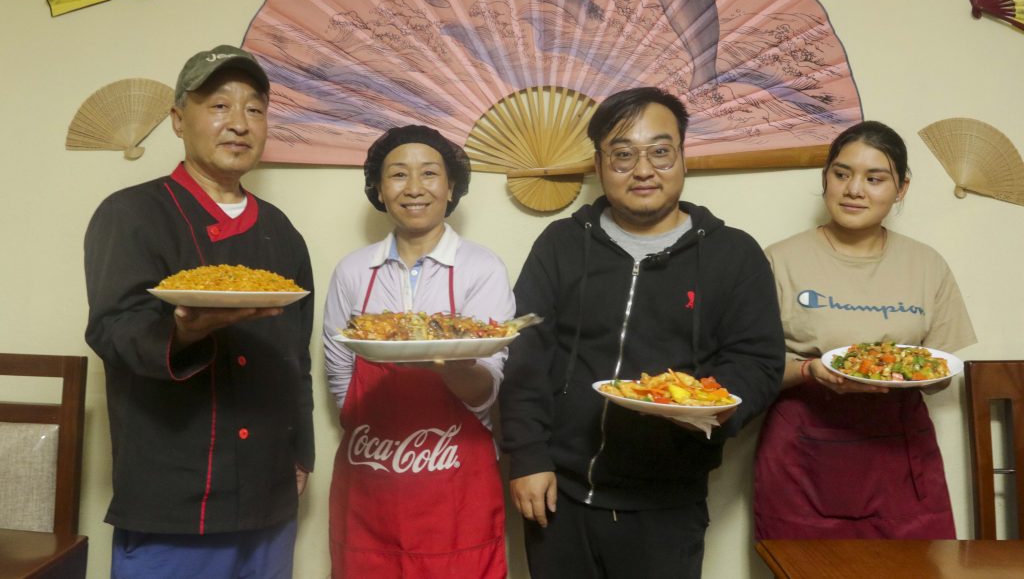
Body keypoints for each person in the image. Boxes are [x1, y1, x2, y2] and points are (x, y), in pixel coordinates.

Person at [499, 86, 785, 579]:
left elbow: (758, 362)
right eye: (623, 154)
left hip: (667, 503)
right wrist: (526, 457)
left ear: (682, 156)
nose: (644, 169)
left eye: (659, 151)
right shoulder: (562, 244)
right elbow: (526, 354)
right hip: (558, 494)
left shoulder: (733, 255)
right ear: (599, 164)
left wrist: (705, 410)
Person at [84, 45, 314, 579]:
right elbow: (114, 331)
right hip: (173, 499)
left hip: (268, 496)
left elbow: (294, 356)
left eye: (254, 109)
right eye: (218, 106)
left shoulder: (283, 233)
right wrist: (183, 332)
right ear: (177, 120)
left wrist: (301, 453)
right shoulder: (131, 214)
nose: (239, 123)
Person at [753, 121, 976, 539]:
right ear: (826, 179)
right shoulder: (778, 260)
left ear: (901, 189)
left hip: (900, 455)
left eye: (875, 179)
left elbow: (940, 374)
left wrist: (918, 374)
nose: (854, 190)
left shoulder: (927, 265)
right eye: (841, 174)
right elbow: (753, 369)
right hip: (804, 452)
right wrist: (808, 371)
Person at [322, 125, 514, 578]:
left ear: (450, 187)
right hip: (370, 484)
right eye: (397, 175)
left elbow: (488, 391)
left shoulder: (481, 268)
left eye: (429, 173)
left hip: (455, 484)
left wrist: (449, 364)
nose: (413, 188)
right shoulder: (353, 271)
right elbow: (340, 380)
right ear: (379, 189)